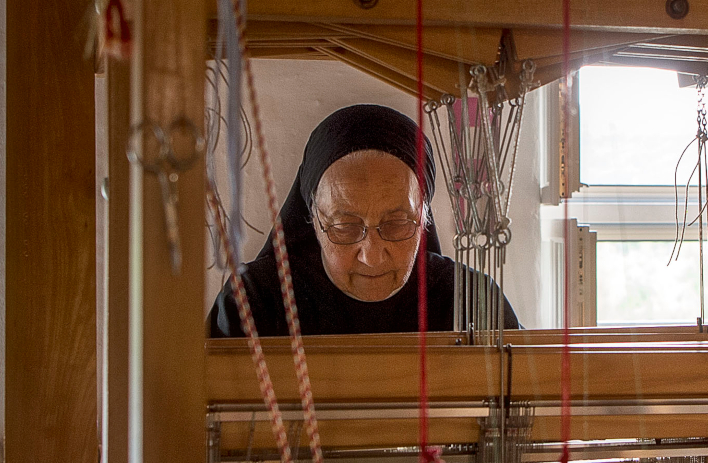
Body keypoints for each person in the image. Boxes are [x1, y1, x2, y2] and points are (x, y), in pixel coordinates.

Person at [207, 104, 520, 337]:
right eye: (345, 227)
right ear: (313, 220)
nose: (372, 256)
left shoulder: (474, 303)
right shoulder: (254, 303)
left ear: (423, 216)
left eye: (397, 224)